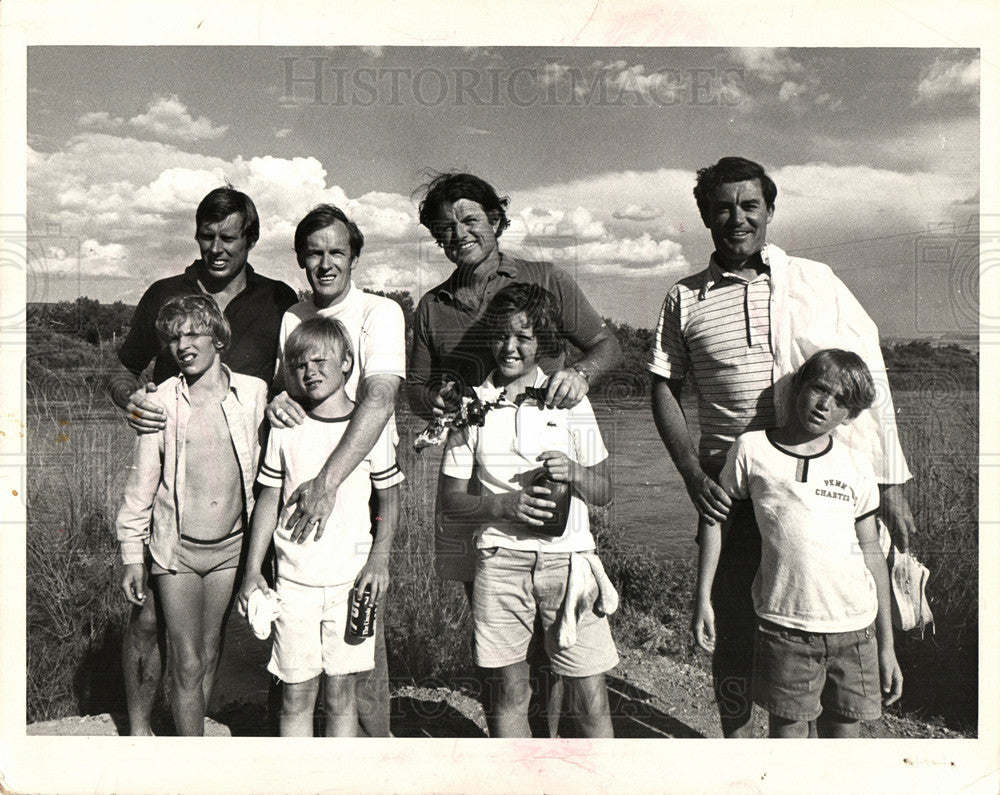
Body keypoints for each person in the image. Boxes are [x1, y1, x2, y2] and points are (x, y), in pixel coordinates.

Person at [648, 156, 915, 737]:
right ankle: (744, 753)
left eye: (749, 205)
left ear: (769, 210)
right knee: (735, 625)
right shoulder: (684, 298)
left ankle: (819, 734)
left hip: (818, 484)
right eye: (722, 207)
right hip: (732, 487)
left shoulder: (809, 283)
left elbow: (865, 370)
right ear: (704, 215)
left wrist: (888, 483)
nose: (736, 218)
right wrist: (694, 474)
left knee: (822, 616)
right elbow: (663, 387)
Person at [410, 172, 623, 736]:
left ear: (497, 221)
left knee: (567, 663)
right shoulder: (433, 306)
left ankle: (558, 751)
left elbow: (608, 346)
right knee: (501, 654)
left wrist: (578, 375)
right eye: (446, 227)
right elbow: (416, 389)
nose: (459, 234)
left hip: (551, 465)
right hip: (480, 484)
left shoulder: (544, 278)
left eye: (471, 220)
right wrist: (437, 398)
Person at [110, 187, 296, 736]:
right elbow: (123, 372)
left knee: (210, 643)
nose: (217, 248)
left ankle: (207, 730)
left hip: (245, 501)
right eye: (207, 236)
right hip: (171, 492)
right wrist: (134, 401)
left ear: (251, 240)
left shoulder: (278, 299)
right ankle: (141, 731)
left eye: (229, 237)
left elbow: (293, 378)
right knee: (146, 617)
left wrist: (289, 398)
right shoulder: (166, 294)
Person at [695, 350, 903, 737]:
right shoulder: (751, 449)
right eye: (819, 389)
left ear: (852, 415)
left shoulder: (857, 464)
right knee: (787, 742)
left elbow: (873, 554)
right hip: (783, 629)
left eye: (841, 400)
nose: (825, 404)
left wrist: (887, 646)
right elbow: (716, 522)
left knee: (841, 746)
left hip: (855, 631)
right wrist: (702, 597)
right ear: (797, 387)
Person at [440, 283, 617, 738]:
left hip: (570, 562)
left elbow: (605, 491)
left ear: (543, 343)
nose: (511, 347)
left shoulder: (571, 399)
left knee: (590, 696)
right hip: (500, 564)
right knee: (509, 695)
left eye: (524, 337)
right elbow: (450, 502)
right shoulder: (471, 406)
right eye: (501, 335)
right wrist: (503, 504)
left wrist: (575, 472)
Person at [262, 204, 406, 737]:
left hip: (361, 478)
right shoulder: (293, 317)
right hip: (303, 480)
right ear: (302, 260)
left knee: (361, 648)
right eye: (315, 253)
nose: (326, 263)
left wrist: (328, 481)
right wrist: (277, 400)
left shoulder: (380, 313)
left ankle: (374, 752)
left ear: (354, 257)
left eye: (337, 252)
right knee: (301, 647)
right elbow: (294, 386)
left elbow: (381, 395)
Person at [238, 316, 403, 736]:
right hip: (294, 583)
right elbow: (268, 499)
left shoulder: (370, 429)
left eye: (319, 361)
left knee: (341, 696)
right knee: (296, 695)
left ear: (348, 362)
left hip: (351, 586)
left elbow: (390, 498)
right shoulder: (286, 428)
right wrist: (253, 571)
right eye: (298, 365)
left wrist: (378, 563)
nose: (309, 372)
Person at [115, 295, 269, 735]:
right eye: (174, 337)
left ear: (218, 338)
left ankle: (190, 742)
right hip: (176, 553)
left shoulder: (254, 394)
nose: (183, 344)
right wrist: (131, 555)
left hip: (230, 552)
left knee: (208, 652)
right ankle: (191, 770)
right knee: (185, 661)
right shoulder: (160, 401)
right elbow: (141, 486)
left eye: (194, 333)